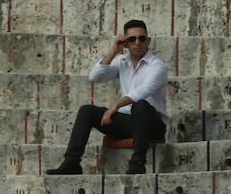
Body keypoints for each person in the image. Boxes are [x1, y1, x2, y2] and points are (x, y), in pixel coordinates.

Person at [46, 19, 168, 176]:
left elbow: (142, 92)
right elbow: (95, 77)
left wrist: (115, 107)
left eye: (142, 38)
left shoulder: (158, 66)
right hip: (129, 122)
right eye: (132, 39)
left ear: (148, 40)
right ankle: (72, 162)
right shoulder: (122, 61)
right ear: (126, 42)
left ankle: (138, 162)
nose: (137, 43)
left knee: (141, 105)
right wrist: (114, 50)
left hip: (152, 124)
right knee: (87, 111)